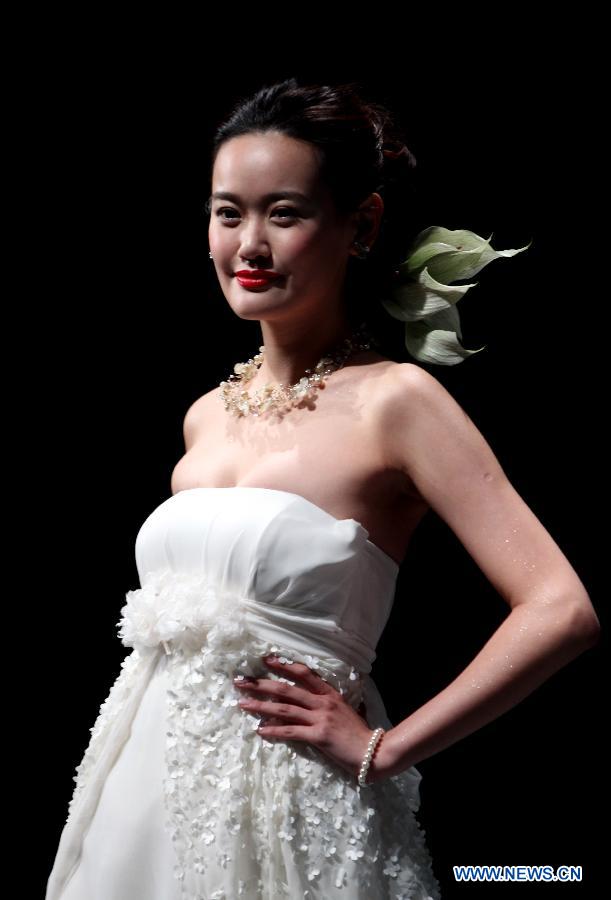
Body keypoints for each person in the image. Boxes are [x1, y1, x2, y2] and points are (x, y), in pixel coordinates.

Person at [46, 78, 600, 900]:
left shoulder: (396, 403)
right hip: (142, 792)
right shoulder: (203, 417)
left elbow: (560, 607)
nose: (249, 244)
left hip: (289, 803)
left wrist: (390, 746)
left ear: (361, 224)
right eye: (228, 212)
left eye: (286, 212)